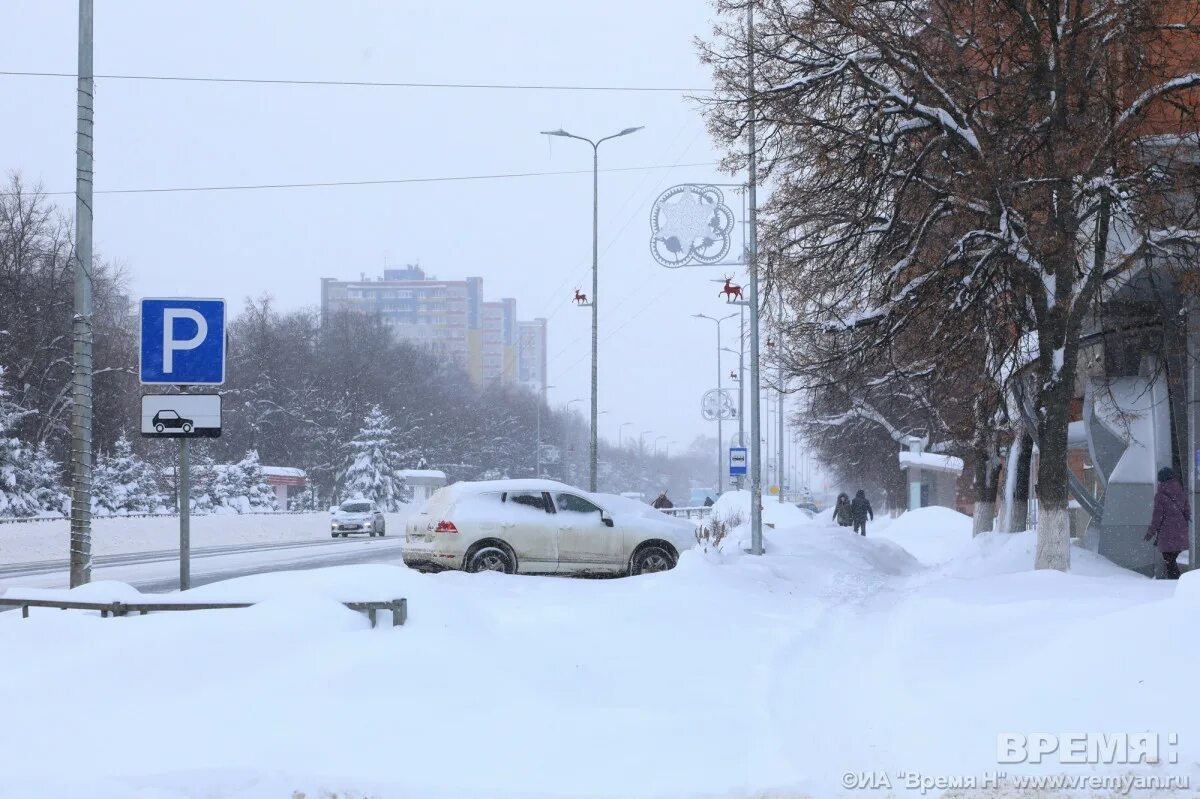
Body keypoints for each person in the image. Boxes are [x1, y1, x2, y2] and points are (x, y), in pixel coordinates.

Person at [1144, 467, 1190, 580]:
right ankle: (1177, 583)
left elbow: (1157, 517)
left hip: (1167, 533)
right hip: (1180, 531)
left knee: (1170, 562)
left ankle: (1176, 584)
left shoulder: (1160, 496)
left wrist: (1150, 532)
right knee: (1171, 560)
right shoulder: (1181, 492)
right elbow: (1187, 511)